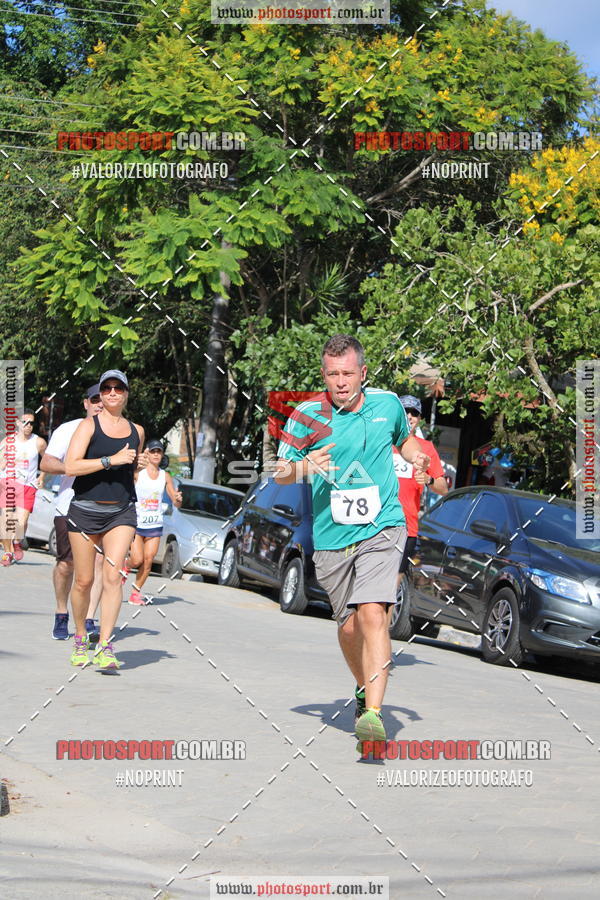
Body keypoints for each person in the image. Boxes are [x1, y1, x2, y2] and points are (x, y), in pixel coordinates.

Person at [275, 334, 430, 751]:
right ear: (323, 374)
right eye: (332, 374)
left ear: (363, 372)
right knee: (348, 627)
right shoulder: (307, 415)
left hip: (383, 526)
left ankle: (375, 716)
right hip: (331, 537)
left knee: (373, 613)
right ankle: (363, 687)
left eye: (347, 373)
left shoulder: (388, 405)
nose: (340, 381)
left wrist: (417, 457)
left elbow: (405, 439)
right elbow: (279, 473)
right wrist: (304, 467)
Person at [65, 370, 144, 670]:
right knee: (84, 581)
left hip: (121, 511)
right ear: (100, 394)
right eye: (106, 388)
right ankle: (81, 638)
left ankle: (105, 645)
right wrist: (109, 460)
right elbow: (71, 466)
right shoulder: (88, 426)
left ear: (126, 393)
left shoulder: (137, 430)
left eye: (118, 388)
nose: (112, 393)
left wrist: (141, 465)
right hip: (85, 510)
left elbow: (132, 471)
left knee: (113, 577)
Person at [41, 385, 105, 641]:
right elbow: (47, 462)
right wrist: (73, 467)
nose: (100, 404)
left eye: (104, 399)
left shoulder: (120, 430)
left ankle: (88, 619)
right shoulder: (68, 429)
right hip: (69, 506)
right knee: (67, 565)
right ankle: (61, 612)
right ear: (86, 403)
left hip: (106, 510)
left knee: (98, 565)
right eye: (95, 399)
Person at [392, 395, 448, 590]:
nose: (409, 416)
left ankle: (385, 621)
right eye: (405, 411)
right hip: (375, 522)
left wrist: (429, 479)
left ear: (420, 419)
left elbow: (443, 487)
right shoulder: (382, 441)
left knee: (393, 587)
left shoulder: (426, 448)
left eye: (414, 413)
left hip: (407, 526)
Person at [127, 439, 182, 605]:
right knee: (137, 559)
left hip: (155, 524)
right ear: (147, 453)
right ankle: (125, 566)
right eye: (153, 451)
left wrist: (178, 499)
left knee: (149, 560)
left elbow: (175, 500)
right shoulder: (138, 473)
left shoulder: (165, 476)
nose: (156, 454)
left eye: (159, 451)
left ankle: (135, 593)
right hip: (137, 523)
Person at [0, 409, 47, 566]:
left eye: (31, 423)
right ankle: (7, 553)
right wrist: (4, 462)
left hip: (28, 485)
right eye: (25, 422)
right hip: (8, 483)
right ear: (17, 423)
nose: (28, 426)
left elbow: (47, 460)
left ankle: (17, 542)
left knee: (21, 522)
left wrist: (42, 477)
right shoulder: (7, 442)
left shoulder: (39, 442)